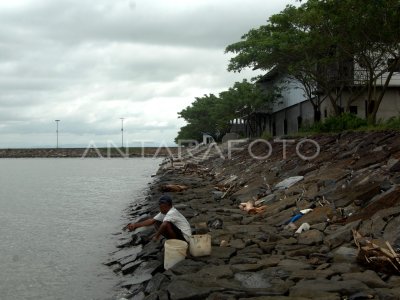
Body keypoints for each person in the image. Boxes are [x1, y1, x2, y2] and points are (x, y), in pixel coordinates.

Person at [126, 195, 192, 242]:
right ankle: (172, 240)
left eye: (162, 206)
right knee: (156, 222)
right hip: (180, 234)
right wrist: (135, 225)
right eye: (160, 206)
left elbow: (164, 225)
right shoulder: (164, 212)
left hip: (185, 237)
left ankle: (175, 243)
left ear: (168, 205)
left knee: (166, 224)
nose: (160, 208)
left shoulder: (172, 212)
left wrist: (156, 236)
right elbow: (151, 221)